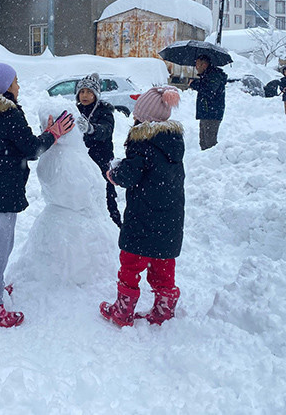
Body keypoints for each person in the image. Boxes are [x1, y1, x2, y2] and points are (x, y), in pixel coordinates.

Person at [0, 62, 74, 328]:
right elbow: (31, 149)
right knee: (1, 244)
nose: (19, 86)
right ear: (5, 87)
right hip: (5, 186)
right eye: (15, 81)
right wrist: (53, 134)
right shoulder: (9, 115)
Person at [100, 86, 185, 327]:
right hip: (170, 219)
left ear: (143, 118)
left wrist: (113, 173)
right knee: (163, 264)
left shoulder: (142, 144)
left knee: (131, 263)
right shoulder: (172, 143)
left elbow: (129, 175)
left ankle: (122, 311)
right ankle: (163, 310)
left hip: (143, 216)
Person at [74, 73, 122, 228]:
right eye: (82, 91)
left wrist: (91, 129)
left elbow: (106, 130)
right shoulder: (75, 110)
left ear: (96, 94)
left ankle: (115, 227)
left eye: (89, 92)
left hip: (102, 160)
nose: (85, 95)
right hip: (82, 161)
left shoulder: (104, 111)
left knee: (107, 198)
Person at [188, 54, 227, 150]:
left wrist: (194, 84)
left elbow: (209, 91)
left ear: (204, 65)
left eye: (197, 64)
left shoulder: (214, 75)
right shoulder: (207, 75)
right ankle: (206, 158)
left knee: (210, 143)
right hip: (206, 113)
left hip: (212, 113)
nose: (196, 67)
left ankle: (214, 159)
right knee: (203, 142)